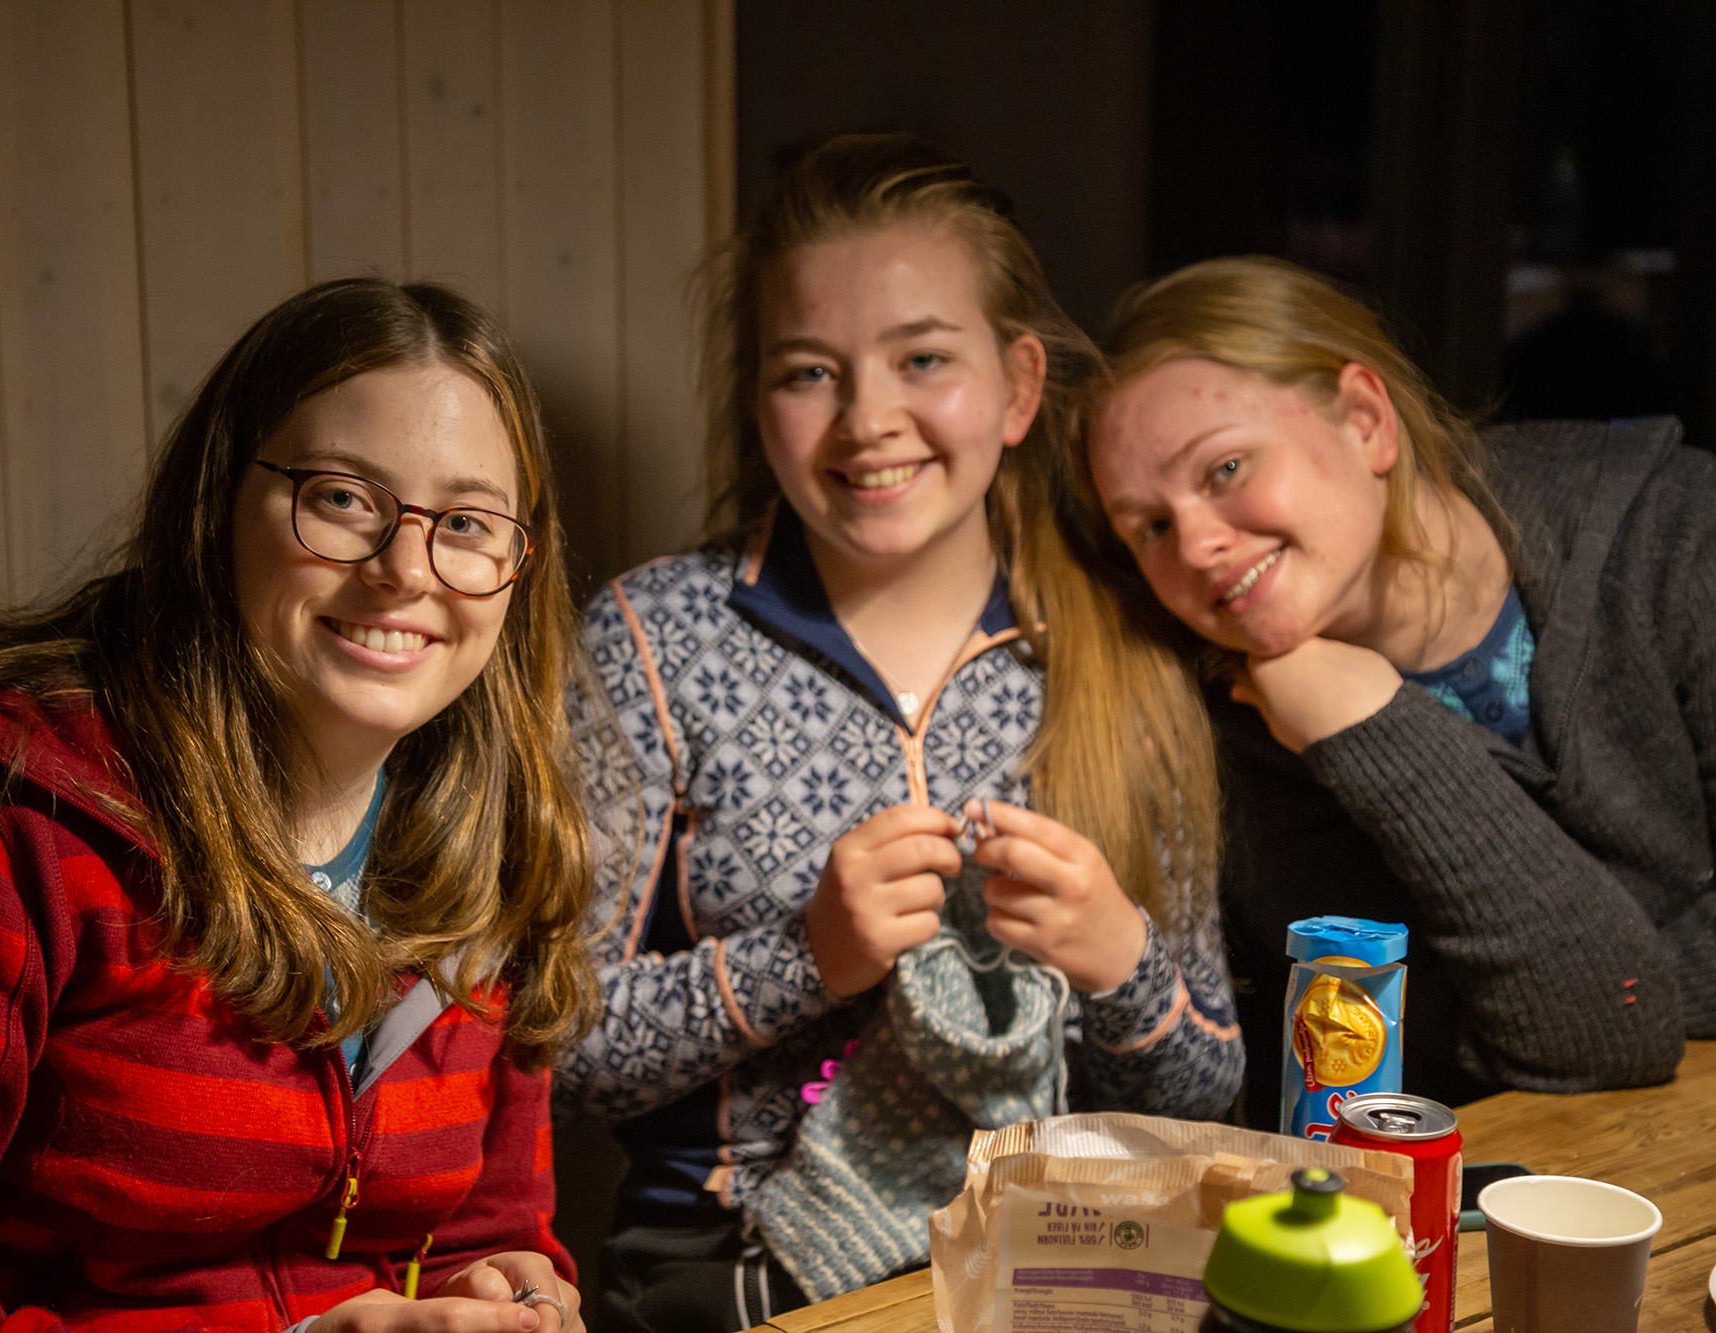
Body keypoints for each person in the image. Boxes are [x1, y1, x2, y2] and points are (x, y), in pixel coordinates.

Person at [0, 279, 594, 1333]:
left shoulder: (486, 837)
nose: (405, 568)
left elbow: (480, 1232)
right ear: (215, 503)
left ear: (515, 566)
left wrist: (513, 1294)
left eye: (464, 522)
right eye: (342, 498)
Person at [559, 135, 1243, 1332]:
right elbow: (544, 1045)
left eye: (921, 357)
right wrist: (803, 956)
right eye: (808, 372)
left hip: (1060, 1261)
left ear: (1019, 388)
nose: (867, 419)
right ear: (759, 398)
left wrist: (1118, 957)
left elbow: (1209, 1085)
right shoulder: (650, 637)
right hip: (730, 1269)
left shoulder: (1125, 648)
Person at [1075, 255, 1716, 1127]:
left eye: (1224, 470)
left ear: (1368, 422)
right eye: (1149, 525)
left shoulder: (1674, 537)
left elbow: (1619, 1001)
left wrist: (1633, 980)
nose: (1193, 548)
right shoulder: (1246, 746)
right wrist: (1374, 731)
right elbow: (1588, 1034)